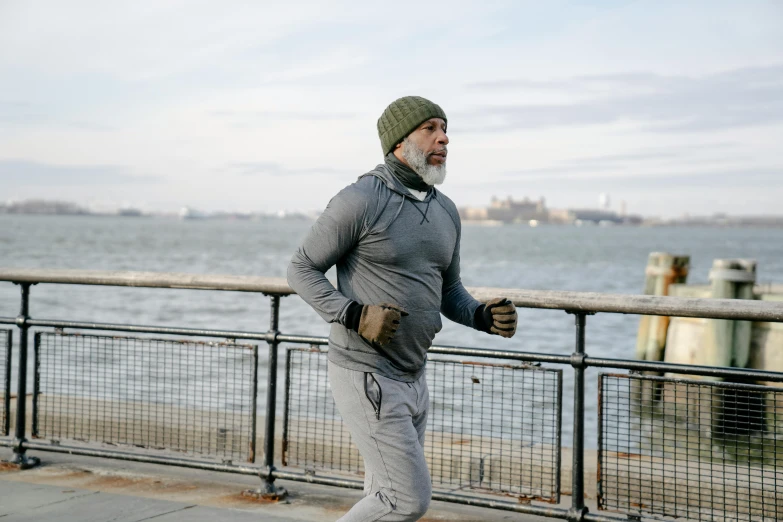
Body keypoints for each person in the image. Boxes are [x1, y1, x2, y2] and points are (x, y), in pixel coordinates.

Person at [287, 95, 518, 522]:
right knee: (406, 500)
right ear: (399, 141)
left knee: (382, 493)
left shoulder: (446, 211)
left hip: (415, 375)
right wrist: (354, 314)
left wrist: (482, 316)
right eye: (430, 128)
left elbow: (450, 291)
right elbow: (301, 269)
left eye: (445, 129)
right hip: (366, 371)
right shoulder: (362, 199)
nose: (444, 138)